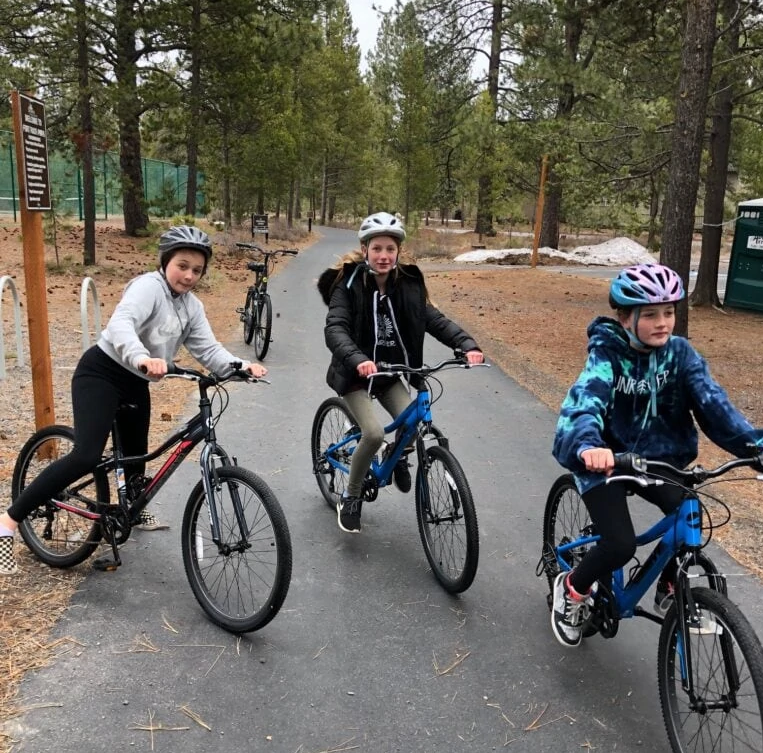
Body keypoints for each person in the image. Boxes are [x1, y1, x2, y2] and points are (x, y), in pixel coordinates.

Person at [0, 225, 267, 577]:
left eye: (197, 270)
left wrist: (240, 366)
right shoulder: (147, 287)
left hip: (136, 381)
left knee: (136, 457)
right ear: (166, 262)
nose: (188, 276)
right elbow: (123, 323)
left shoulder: (191, 306)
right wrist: (142, 357)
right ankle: (9, 521)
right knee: (87, 455)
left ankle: (132, 509)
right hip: (102, 372)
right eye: (182, 266)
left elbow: (207, 348)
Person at [550, 261, 763, 647]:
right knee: (620, 544)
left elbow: (714, 405)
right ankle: (571, 589)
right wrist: (588, 447)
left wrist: (756, 446)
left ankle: (670, 585)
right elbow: (586, 403)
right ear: (624, 317)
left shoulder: (681, 355)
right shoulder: (608, 355)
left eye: (669, 312)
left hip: (658, 459)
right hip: (606, 462)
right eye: (650, 314)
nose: (663, 322)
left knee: (689, 512)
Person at [317, 212, 484, 534]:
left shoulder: (407, 282)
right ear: (365, 249)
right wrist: (357, 359)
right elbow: (335, 328)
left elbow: (433, 319)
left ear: (398, 251)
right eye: (377, 248)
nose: (383, 256)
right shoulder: (348, 283)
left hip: (391, 371)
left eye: (390, 249)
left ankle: (398, 454)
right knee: (375, 433)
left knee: (415, 420)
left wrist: (466, 345)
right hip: (355, 374)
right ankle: (351, 497)